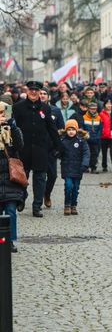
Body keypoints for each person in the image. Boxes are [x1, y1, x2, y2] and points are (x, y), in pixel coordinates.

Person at [13, 80, 61, 218]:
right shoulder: (17, 107)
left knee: (40, 179)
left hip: (41, 149)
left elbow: (52, 128)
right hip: (23, 149)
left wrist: (58, 146)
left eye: (36, 90)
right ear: (27, 91)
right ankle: (21, 198)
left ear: (40, 92)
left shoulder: (46, 108)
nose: (33, 92)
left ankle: (37, 206)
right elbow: (11, 127)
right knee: (22, 177)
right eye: (31, 90)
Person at [0, 102, 26, 252]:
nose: (2, 117)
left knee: (11, 211)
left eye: (4, 113)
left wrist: (12, 125)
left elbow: (19, 146)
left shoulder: (13, 129)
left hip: (11, 177)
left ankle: (9, 240)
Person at [59, 119, 90, 215]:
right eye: (69, 130)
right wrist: (56, 153)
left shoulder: (81, 141)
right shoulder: (62, 140)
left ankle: (73, 205)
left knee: (75, 188)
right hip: (67, 167)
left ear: (76, 130)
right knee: (68, 186)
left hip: (78, 168)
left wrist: (85, 164)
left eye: (73, 129)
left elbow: (86, 153)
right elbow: (57, 151)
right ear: (66, 130)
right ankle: (67, 205)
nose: (71, 132)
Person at [40, 88, 64, 208]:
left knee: (53, 175)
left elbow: (61, 129)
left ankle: (47, 193)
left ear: (48, 96)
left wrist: (58, 147)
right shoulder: (33, 110)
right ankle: (37, 200)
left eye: (44, 94)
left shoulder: (55, 110)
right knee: (39, 175)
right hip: (38, 148)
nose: (42, 95)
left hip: (51, 149)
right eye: (40, 93)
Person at [82, 102, 102, 173]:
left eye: (95, 109)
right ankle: (86, 167)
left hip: (95, 139)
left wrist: (98, 137)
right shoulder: (84, 117)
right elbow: (83, 128)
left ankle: (93, 167)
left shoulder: (99, 118)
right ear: (88, 109)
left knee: (95, 154)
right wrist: (85, 136)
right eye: (92, 109)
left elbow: (100, 129)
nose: (93, 110)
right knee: (87, 153)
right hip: (87, 139)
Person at [99, 100, 112, 172]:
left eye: (110, 104)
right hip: (104, 135)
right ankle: (104, 166)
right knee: (104, 152)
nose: (109, 105)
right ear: (104, 105)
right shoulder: (101, 114)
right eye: (107, 104)